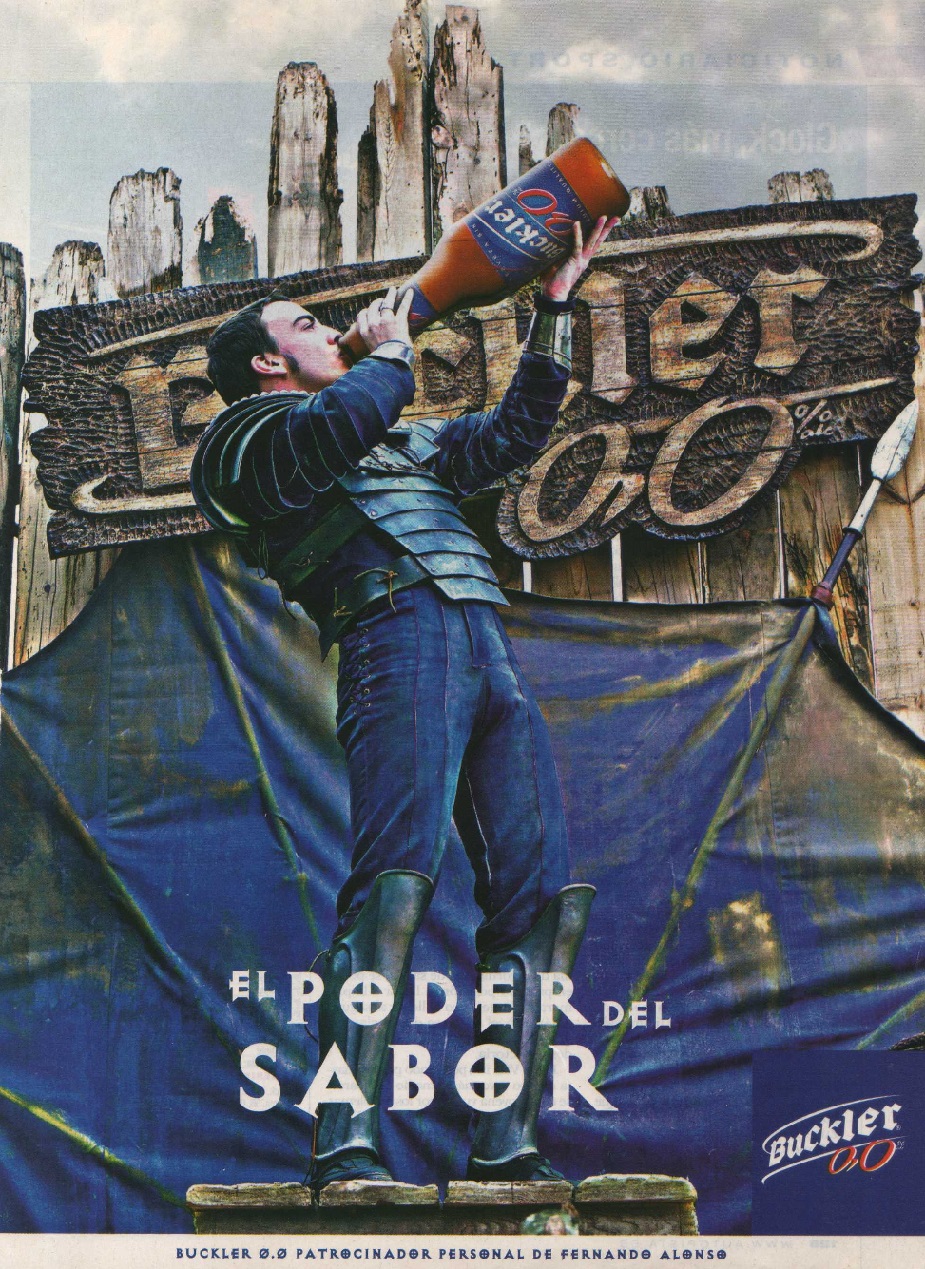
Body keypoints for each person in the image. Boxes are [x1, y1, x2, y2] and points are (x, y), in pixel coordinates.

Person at [191, 216, 618, 1191]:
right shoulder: (243, 442)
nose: (330, 326)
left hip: (484, 646)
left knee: (540, 901)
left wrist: (552, 310)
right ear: (266, 360)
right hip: (395, 638)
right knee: (393, 887)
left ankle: (505, 1147)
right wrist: (386, 353)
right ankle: (344, 1147)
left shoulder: (390, 435)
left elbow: (507, 437)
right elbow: (329, 429)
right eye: (305, 323)